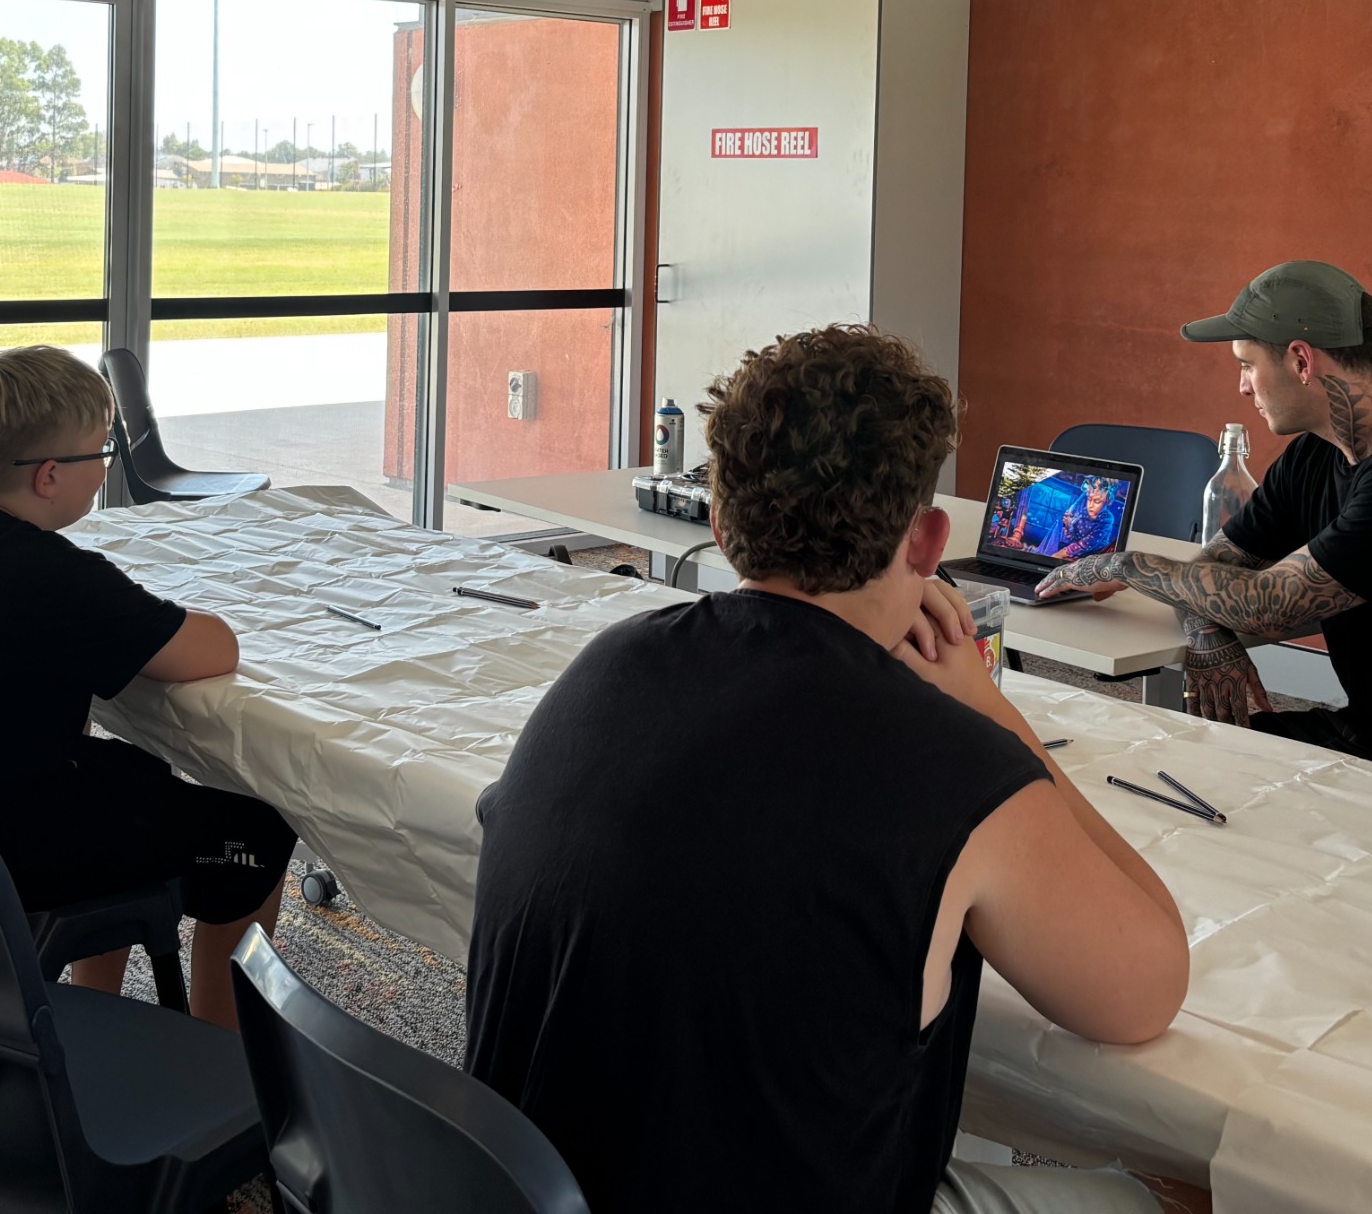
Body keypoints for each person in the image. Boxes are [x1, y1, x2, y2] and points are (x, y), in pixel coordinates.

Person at [466, 325, 1187, 1214]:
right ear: (928, 542)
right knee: (1172, 1194)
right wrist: (991, 712)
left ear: (722, 525)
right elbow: (1146, 991)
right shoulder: (951, 764)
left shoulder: (606, 667)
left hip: (519, 1191)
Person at [0, 345, 295, 1024]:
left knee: (133, 772)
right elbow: (212, 648)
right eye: (102, 453)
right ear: (50, 475)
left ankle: (95, 1001)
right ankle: (224, 1052)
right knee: (258, 831)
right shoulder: (48, 576)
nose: (106, 469)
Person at [1038, 260, 1372, 765]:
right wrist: (1207, 630)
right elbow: (1212, 569)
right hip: (1368, 730)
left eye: (1247, 364)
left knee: (1170, 762)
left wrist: (1125, 565)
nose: (1243, 387)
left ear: (1301, 361)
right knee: (1165, 752)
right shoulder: (1313, 453)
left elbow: (1271, 604)